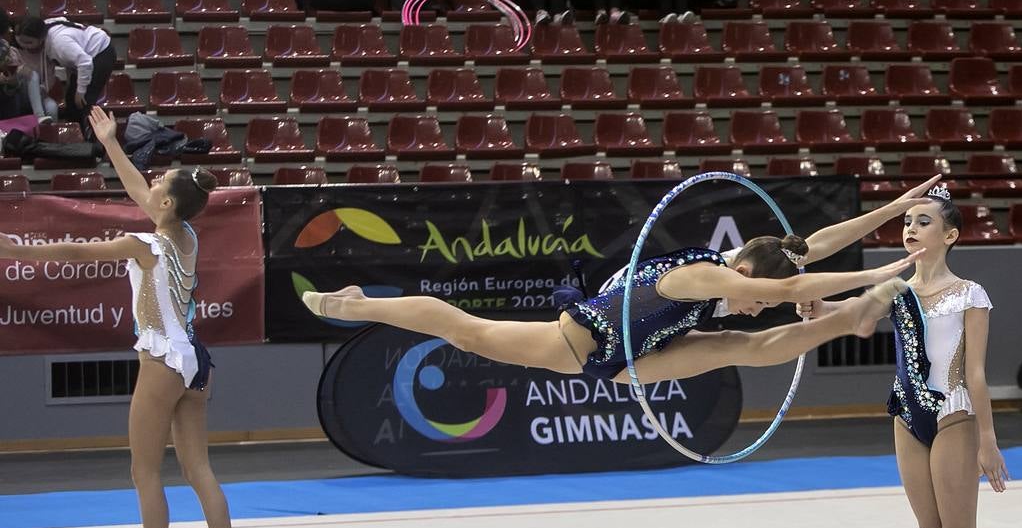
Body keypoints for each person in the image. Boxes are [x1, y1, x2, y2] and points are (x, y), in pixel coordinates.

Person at [301, 179, 946, 389]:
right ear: (741, 272)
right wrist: (889, 269)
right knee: (461, 326)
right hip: (584, 341)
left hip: (632, 355)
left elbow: (811, 246)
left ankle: (849, 315)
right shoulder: (703, 275)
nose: (750, 306)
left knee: (741, 347)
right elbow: (780, 290)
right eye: (753, 295)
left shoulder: (743, 276)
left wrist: (894, 210)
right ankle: (362, 304)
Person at [0, 105, 243, 528]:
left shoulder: (143, 243)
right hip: (197, 359)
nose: (149, 184)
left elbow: (78, 254)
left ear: (169, 201)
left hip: (162, 359)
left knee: (145, 471)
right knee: (198, 467)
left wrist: (12, 250)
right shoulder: (185, 234)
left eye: (159, 182)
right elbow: (141, 195)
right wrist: (110, 143)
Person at [884, 180, 1007, 528]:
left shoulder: (969, 294)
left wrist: (988, 439)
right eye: (908, 222)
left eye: (924, 222)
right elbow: (844, 318)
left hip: (954, 412)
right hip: (906, 416)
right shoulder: (895, 290)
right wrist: (812, 310)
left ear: (950, 235)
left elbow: (975, 372)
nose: (911, 229)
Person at [11, 16, 114, 132]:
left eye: (28, 42)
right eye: (20, 41)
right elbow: (62, 19)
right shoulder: (42, 28)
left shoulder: (59, 42)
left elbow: (85, 62)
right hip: (84, 56)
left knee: (84, 102)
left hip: (100, 53)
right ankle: (74, 136)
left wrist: (81, 91)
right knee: (71, 100)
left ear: (41, 39)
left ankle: (91, 139)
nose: (24, 46)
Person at [0, 8, 55, 121]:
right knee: (32, 75)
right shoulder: (12, 49)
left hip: (24, 94)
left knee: (52, 107)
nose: (24, 44)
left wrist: (12, 81)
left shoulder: (5, 48)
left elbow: (12, 84)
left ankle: (44, 129)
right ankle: (38, 116)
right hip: (17, 96)